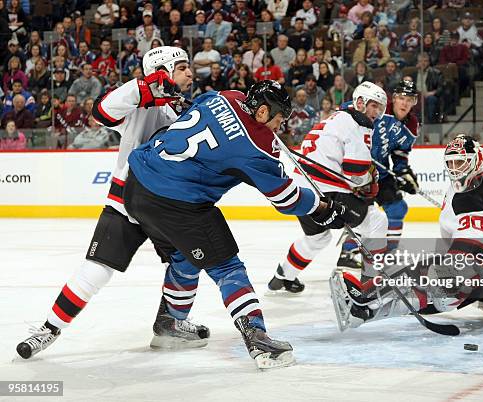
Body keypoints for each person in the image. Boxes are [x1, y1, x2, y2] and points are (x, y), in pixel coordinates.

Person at [123, 80, 346, 369]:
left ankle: (170, 323)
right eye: (278, 121)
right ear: (263, 112)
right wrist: (322, 208)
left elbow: (196, 110)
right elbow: (285, 198)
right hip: (177, 200)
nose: (279, 129)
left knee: (185, 256)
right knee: (227, 268)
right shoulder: (258, 145)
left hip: (137, 185)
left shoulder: (226, 96)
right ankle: (257, 338)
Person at [15, 47, 209, 360]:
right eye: (183, 66)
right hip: (128, 200)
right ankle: (49, 329)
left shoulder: (183, 112)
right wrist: (143, 86)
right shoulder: (140, 104)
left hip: (168, 206)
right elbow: (102, 112)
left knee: (189, 258)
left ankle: (169, 324)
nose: (191, 73)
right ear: (162, 70)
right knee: (96, 270)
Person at [331, 135, 483, 330]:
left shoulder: (469, 202)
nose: (456, 169)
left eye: (461, 163)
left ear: (477, 159)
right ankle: (367, 310)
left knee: (433, 280)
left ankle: (365, 300)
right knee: (437, 279)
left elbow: (475, 254)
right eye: (452, 163)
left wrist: (449, 282)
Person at [268, 81, 389, 294]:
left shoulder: (335, 118)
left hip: (301, 192)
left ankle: (283, 275)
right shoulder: (358, 123)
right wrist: (370, 182)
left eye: (379, 107)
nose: (376, 112)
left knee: (318, 237)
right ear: (360, 102)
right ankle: (373, 282)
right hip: (327, 191)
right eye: (373, 105)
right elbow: (356, 173)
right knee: (376, 220)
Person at [338, 80, 420, 269]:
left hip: (381, 173)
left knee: (398, 208)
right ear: (394, 98)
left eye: (409, 99)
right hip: (357, 171)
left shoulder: (412, 125)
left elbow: (400, 153)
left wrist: (403, 173)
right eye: (401, 98)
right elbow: (348, 108)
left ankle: (388, 254)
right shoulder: (379, 108)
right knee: (364, 214)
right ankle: (347, 252)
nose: (404, 103)